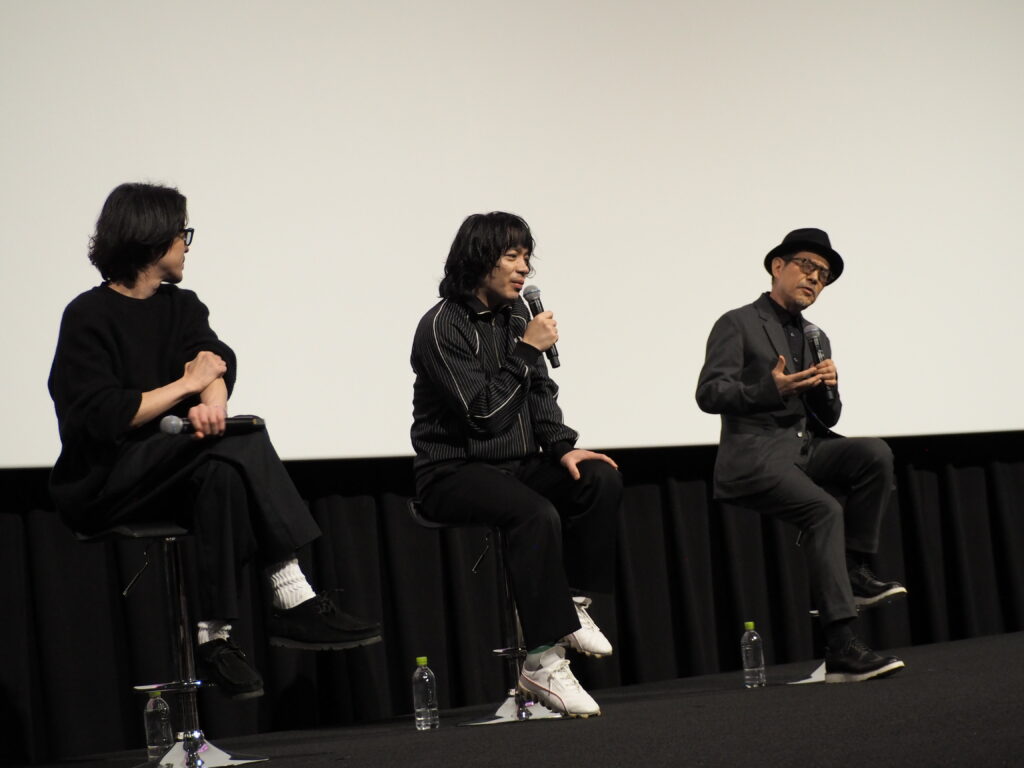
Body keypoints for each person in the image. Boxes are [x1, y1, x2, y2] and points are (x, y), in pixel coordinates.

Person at [48, 182, 381, 700]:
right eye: (181, 234)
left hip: (173, 468)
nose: (186, 245)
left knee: (224, 468)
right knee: (244, 440)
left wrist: (214, 403)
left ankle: (215, 638)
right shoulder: (88, 315)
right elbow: (104, 415)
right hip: (106, 479)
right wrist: (186, 386)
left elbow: (213, 359)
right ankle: (292, 595)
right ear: (151, 238)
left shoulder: (181, 305)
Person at [410, 212, 623, 717]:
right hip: (452, 471)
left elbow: (541, 393)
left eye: (527, 257)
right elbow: (483, 416)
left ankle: (573, 605)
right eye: (512, 256)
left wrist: (563, 446)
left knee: (597, 476)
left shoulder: (516, 317)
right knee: (533, 513)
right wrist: (527, 351)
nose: (524, 268)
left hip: (519, 463)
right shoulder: (441, 326)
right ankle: (543, 661)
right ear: (479, 259)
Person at [695, 227, 907, 683]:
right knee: (824, 510)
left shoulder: (815, 335)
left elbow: (828, 415)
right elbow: (709, 393)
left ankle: (853, 568)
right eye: (807, 267)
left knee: (874, 453)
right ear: (778, 266)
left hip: (805, 447)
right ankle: (842, 647)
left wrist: (830, 386)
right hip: (755, 453)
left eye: (823, 275)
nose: (815, 279)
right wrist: (768, 388)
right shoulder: (738, 322)